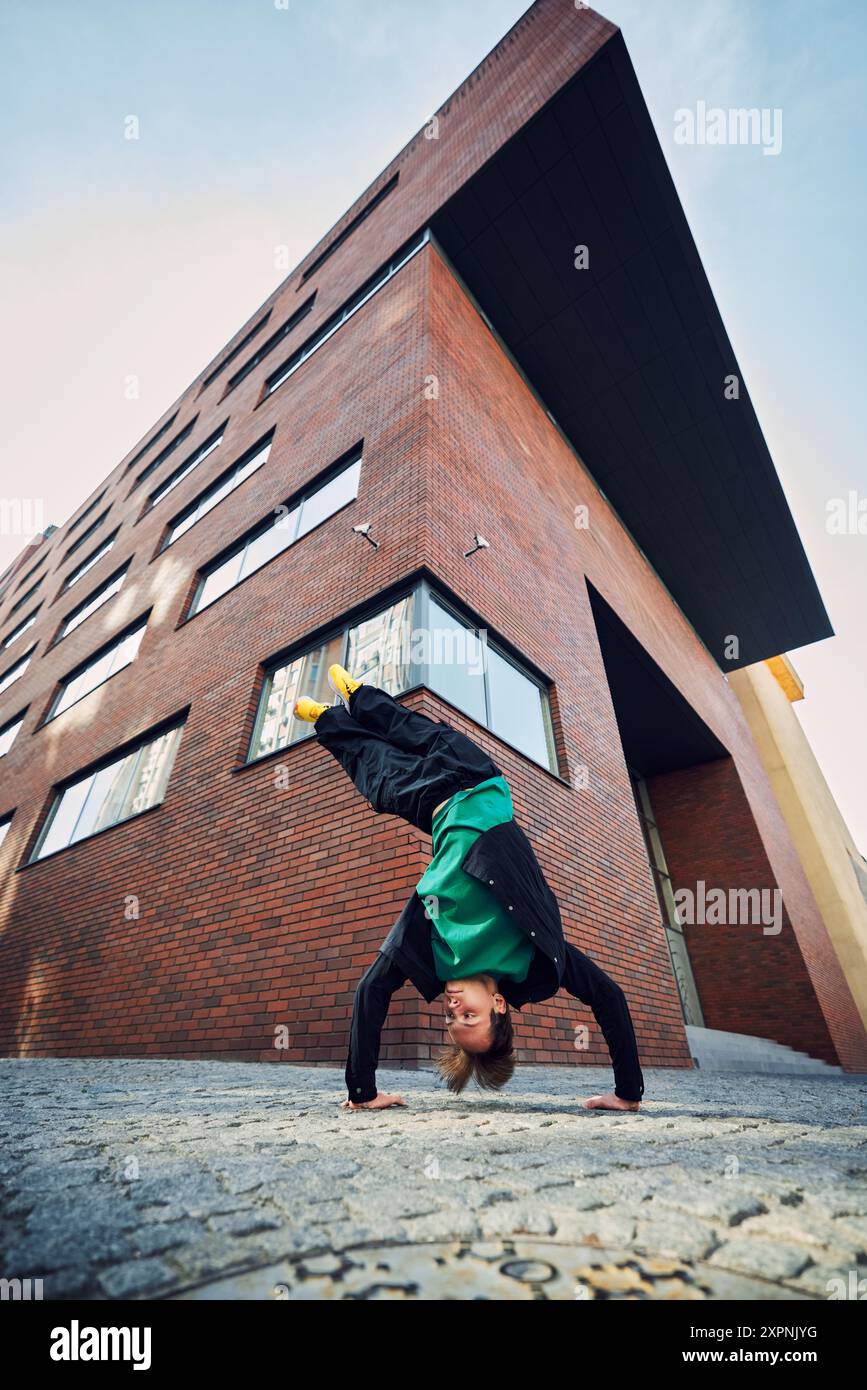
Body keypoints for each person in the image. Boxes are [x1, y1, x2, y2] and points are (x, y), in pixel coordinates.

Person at [294, 665, 645, 1113]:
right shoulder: (536, 959)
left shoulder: (433, 953)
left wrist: (362, 1092)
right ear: (499, 1003)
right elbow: (607, 995)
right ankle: (359, 694)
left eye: (450, 1018)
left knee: (373, 769)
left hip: (429, 803)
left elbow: (371, 991)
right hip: (478, 779)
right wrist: (628, 1094)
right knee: (409, 728)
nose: (453, 1006)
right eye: (469, 1015)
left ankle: (327, 718)